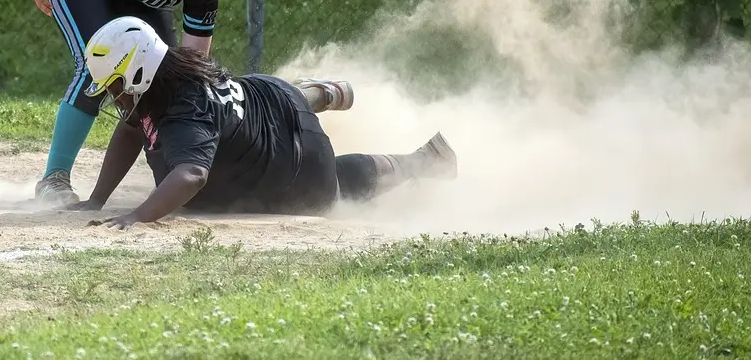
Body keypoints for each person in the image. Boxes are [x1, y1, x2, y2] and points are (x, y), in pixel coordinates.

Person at [59, 16, 458, 227]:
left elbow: (192, 175)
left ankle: (424, 161)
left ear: (138, 71)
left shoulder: (184, 112)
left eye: (114, 85)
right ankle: (320, 93)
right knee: (246, 124)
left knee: (330, 192)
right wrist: (98, 198)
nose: (113, 95)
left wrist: (136, 216)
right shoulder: (174, 71)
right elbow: (131, 130)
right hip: (271, 95)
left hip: (300, 154)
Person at [30, 0, 248, 205]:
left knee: (166, 81)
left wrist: (183, 90)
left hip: (141, 7)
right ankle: (54, 179)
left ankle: (168, 166)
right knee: (97, 68)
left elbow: (193, 57)